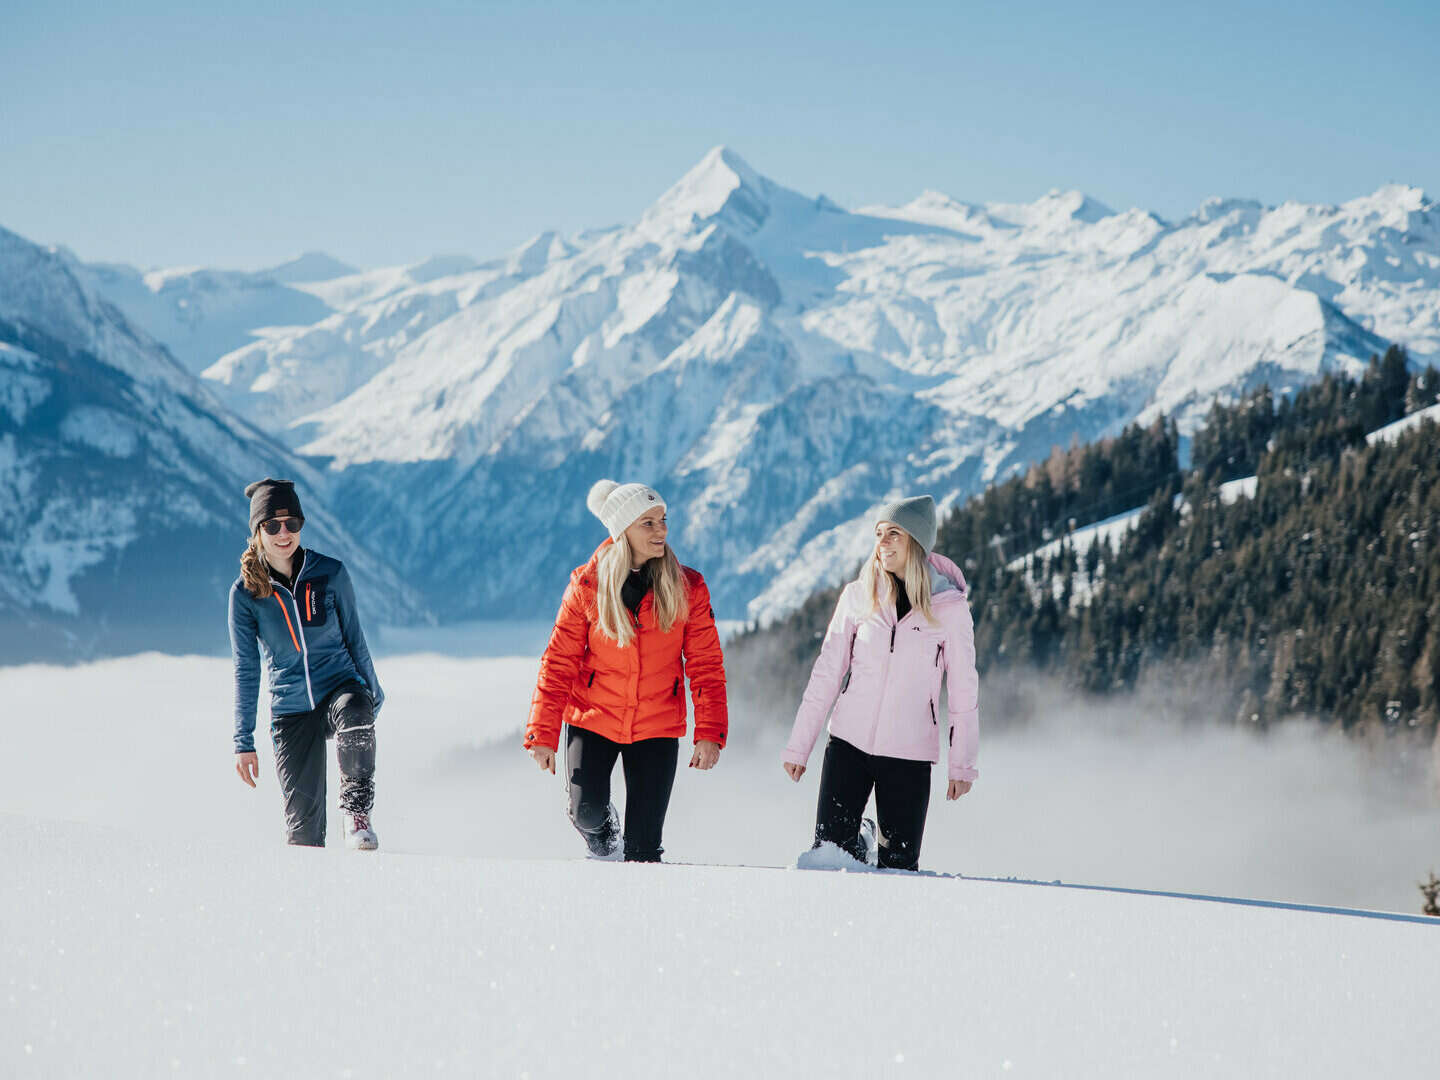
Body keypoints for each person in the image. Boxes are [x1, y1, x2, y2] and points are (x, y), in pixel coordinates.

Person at [524, 479, 729, 862]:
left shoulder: (689, 588)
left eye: (663, 519)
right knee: (587, 815)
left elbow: (705, 665)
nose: (662, 530)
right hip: (593, 718)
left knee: (644, 850)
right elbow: (558, 661)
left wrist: (710, 732)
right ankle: (604, 841)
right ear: (623, 530)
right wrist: (543, 733)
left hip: (657, 725)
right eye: (648, 523)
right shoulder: (586, 585)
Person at [782, 495, 979, 871]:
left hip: (910, 757)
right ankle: (859, 843)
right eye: (878, 534)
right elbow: (827, 671)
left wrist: (962, 765)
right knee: (827, 860)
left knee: (899, 872)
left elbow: (964, 690)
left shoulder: (949, 609)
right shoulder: (858, 596)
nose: (882, 543)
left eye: (894, 534)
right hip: (848, 747)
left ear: (916, 542)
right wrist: (798, 745)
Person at [228, 478, 384, 849]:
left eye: (292, 523)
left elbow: (355, 637)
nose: (284, 533)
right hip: (291, 711)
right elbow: (246, 670)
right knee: (304, 836)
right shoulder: (244, 594)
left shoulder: (329, 573)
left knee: (355, 706)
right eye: (273, 525)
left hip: (339, 688)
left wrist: (371, 694)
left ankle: (357, 814)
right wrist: (242, 741)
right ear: (257, 531)